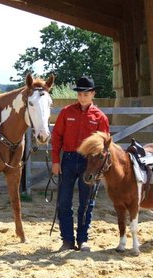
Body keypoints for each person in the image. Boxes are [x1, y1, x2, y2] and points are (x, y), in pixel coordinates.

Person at [51, 75, 110, 252]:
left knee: (86, 202)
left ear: (93, 94)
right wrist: (56, 160)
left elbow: (104, 146)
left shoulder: (100, 117)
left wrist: (99, 168)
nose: (82, 97)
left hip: (89, 162)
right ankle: (67, 240)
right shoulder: (66, 112)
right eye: (79, 94)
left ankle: (83, 239)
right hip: (68, 159)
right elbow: (57, 137)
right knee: (64, 201)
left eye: (86, 94)